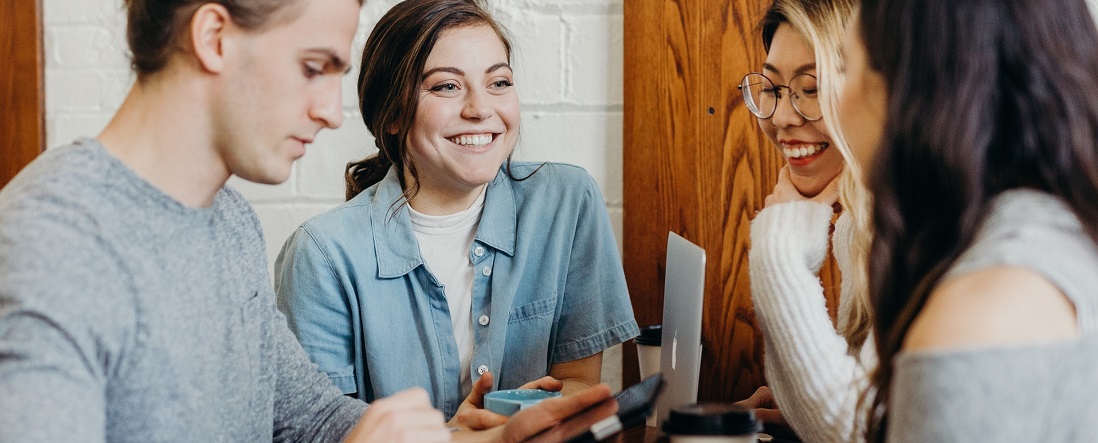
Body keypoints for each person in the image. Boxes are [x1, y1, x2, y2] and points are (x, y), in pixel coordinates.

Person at [0, 0, 614, 441]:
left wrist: (460, 439)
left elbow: (315, 421)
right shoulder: (53, 244)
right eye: (313, 67)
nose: (328, 112)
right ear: (213, 36)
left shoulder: (227, 222)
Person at [273, 0, 639, 423]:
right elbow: (317, 430)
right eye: (446, 86)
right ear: (391, 115)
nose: (480, 109)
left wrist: (527, 417)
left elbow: (578, 381)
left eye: (499, 82)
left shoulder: (566, 202)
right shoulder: (321, 255)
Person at [839, 0, 1098, 441]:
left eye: (845, 67)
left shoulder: (979, 316)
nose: (834, 101)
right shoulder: (1062, 234)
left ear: (904, 91)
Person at [735, 0, 875, 441]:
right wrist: (800, 407)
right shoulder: (861, 224)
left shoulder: (923, 221)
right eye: (773, 88)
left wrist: (780, 256)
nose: (780, 117)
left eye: (811, 89)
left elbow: (861, 432)